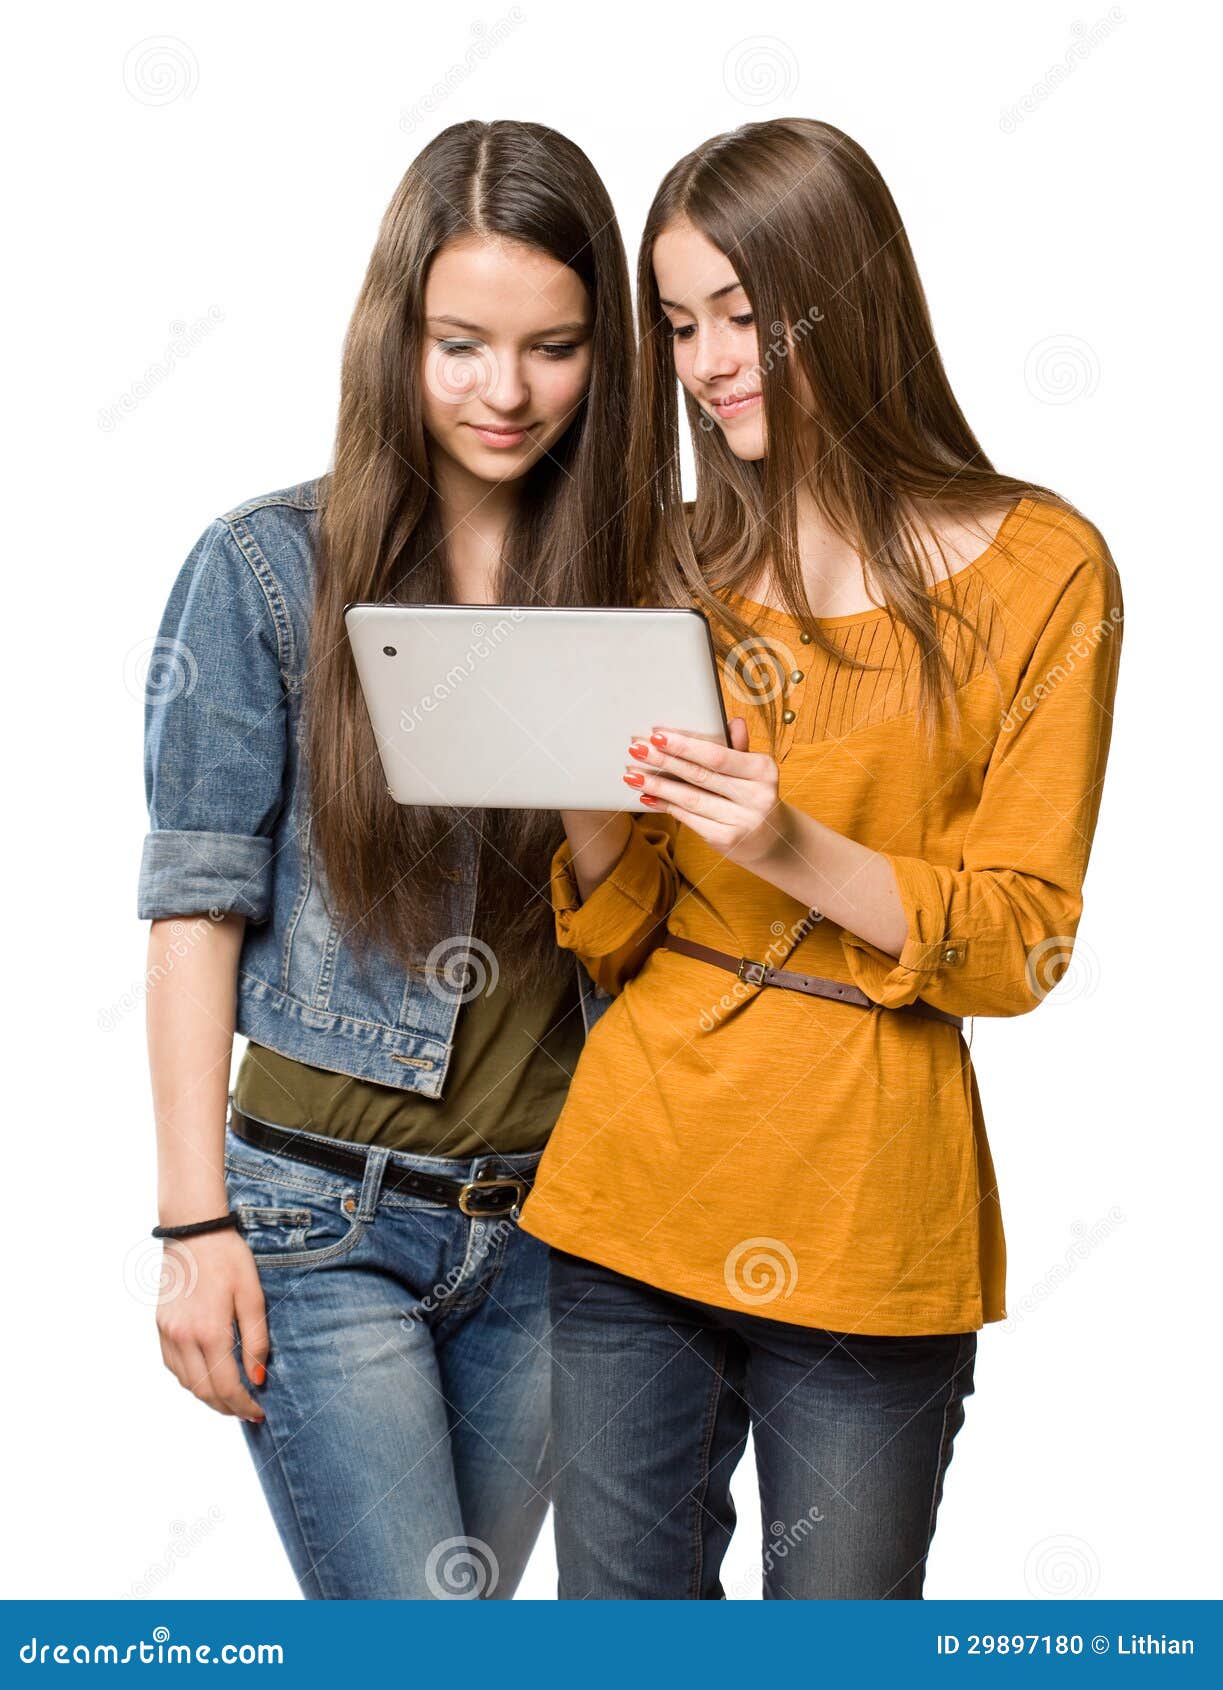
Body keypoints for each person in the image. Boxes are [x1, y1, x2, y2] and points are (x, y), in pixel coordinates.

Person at [519, 118, 1124, 1600]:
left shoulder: (1047, 570)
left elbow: (1024, 941)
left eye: (745, 313)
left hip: (869, 1206)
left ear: (848, 303)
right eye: (679, 326)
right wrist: (586, 806)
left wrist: (792, 841)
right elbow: (612, 941)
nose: (711, 360)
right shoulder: (671, 563)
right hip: (631, 1175)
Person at [140, 119, 634, 1599]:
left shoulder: (647, 585)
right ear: (394, 333)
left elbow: (642, 937)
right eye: (461, 343)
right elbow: (192, 914)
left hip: (556, 1226)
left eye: (553, 347)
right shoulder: (262, 572)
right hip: (316, 1220)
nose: (505, 392)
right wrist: (190, 1226)